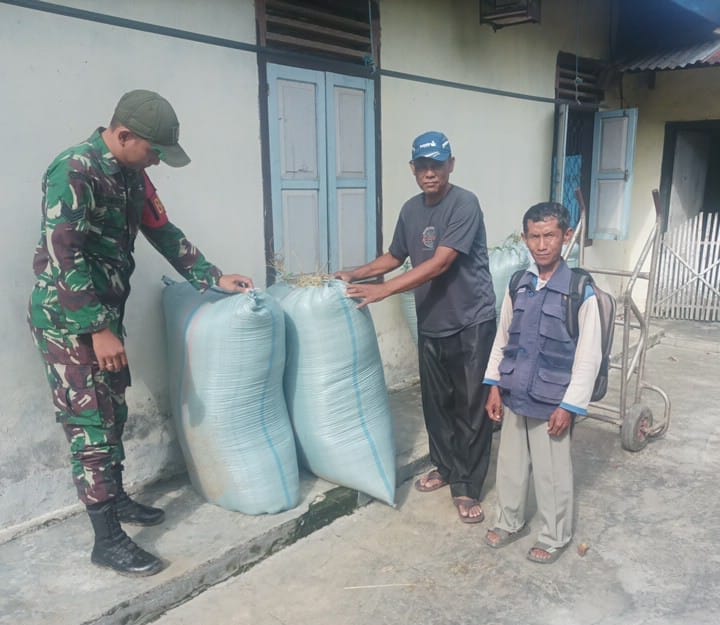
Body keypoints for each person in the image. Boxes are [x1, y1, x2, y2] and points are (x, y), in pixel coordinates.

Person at [27, 89, 254, 577]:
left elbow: (162, 229)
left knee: (114, 409)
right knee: (91, 422)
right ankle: (107, 540)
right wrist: (97, 330)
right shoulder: (74, 170)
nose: (157, 161)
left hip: (104, 315)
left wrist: (212, 276)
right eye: (154, 151)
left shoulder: (133, 175)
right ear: (125, 135)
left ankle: (117, 498)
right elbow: (66, 255)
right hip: (70, 320)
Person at [335, 131, 496, 524]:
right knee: (436, 404)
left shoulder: (464, 203)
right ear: (412, 168)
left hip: (470, 321)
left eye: (436, 165)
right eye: (422, 166)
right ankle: (445, 466)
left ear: (450, 165)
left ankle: (467, 485)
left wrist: (385, 290)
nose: (430, 173)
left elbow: (442, 262)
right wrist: (355, 273)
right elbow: (395, 256)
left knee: (470, 407)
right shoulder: (411, 210)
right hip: (432, 321)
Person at [483, 202, 601, 563]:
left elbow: (589, 356)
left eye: (550, 235)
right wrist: (493, 385)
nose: (542, 244)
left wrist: (569, 406)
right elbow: (502, 337)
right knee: (510, 466)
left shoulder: (579, 290)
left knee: (552, 474)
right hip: (515, 391)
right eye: (534, 236)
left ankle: (554, 535)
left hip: (552, 400)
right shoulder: (518, 284)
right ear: (524, 238)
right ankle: (509, 521)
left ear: (566, 236)